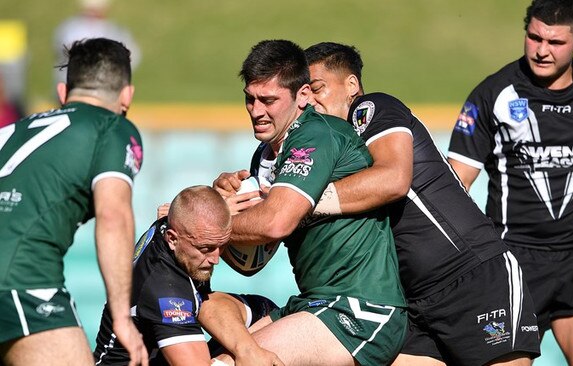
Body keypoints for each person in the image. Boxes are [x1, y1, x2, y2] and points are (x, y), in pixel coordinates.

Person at [300, 42, 540, 366]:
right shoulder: (332, 149)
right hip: (411, 300)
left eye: (317, 89)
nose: (310, 102)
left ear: (351, 85)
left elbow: (394, 180)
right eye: (303, 94)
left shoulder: (370, 108)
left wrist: (301, 203)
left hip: (472, 276)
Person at [447, 0, 573, 365]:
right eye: (534, 37)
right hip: (512, 262)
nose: (541, 51)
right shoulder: (494, 94)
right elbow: (454, 185)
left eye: (555, 42)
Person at [209, 39, 408, 366]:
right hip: (313, 303)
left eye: (268, 100)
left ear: (302, 96)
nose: (256, 110)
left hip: (361, 307)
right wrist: (226, 204)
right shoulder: (264, 156)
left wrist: (205, 222)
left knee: (229, 363)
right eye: (250, 99)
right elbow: (253, 261)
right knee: (208, 352)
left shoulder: (316, 134)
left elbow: (277, 222)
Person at [0, 38, 147, 366]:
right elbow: (114, 216)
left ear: (63, 92)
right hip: (21, 280)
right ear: (127, 96)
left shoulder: (11, 131)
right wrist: (122, 317)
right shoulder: (113, 127)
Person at [94, 185, 282, 366]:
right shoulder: (167, 293)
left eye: (221, 246)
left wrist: (221, 200)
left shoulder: (172, 224)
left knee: (265, 312)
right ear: (173, 239)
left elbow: (190, 204)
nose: (215, 259)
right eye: (206, 248)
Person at [53, 0, 141, 94]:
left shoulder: (113, 29)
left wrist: (117, 72)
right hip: (74, 84)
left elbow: (132, 54)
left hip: (106, 85)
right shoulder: (71, 29)